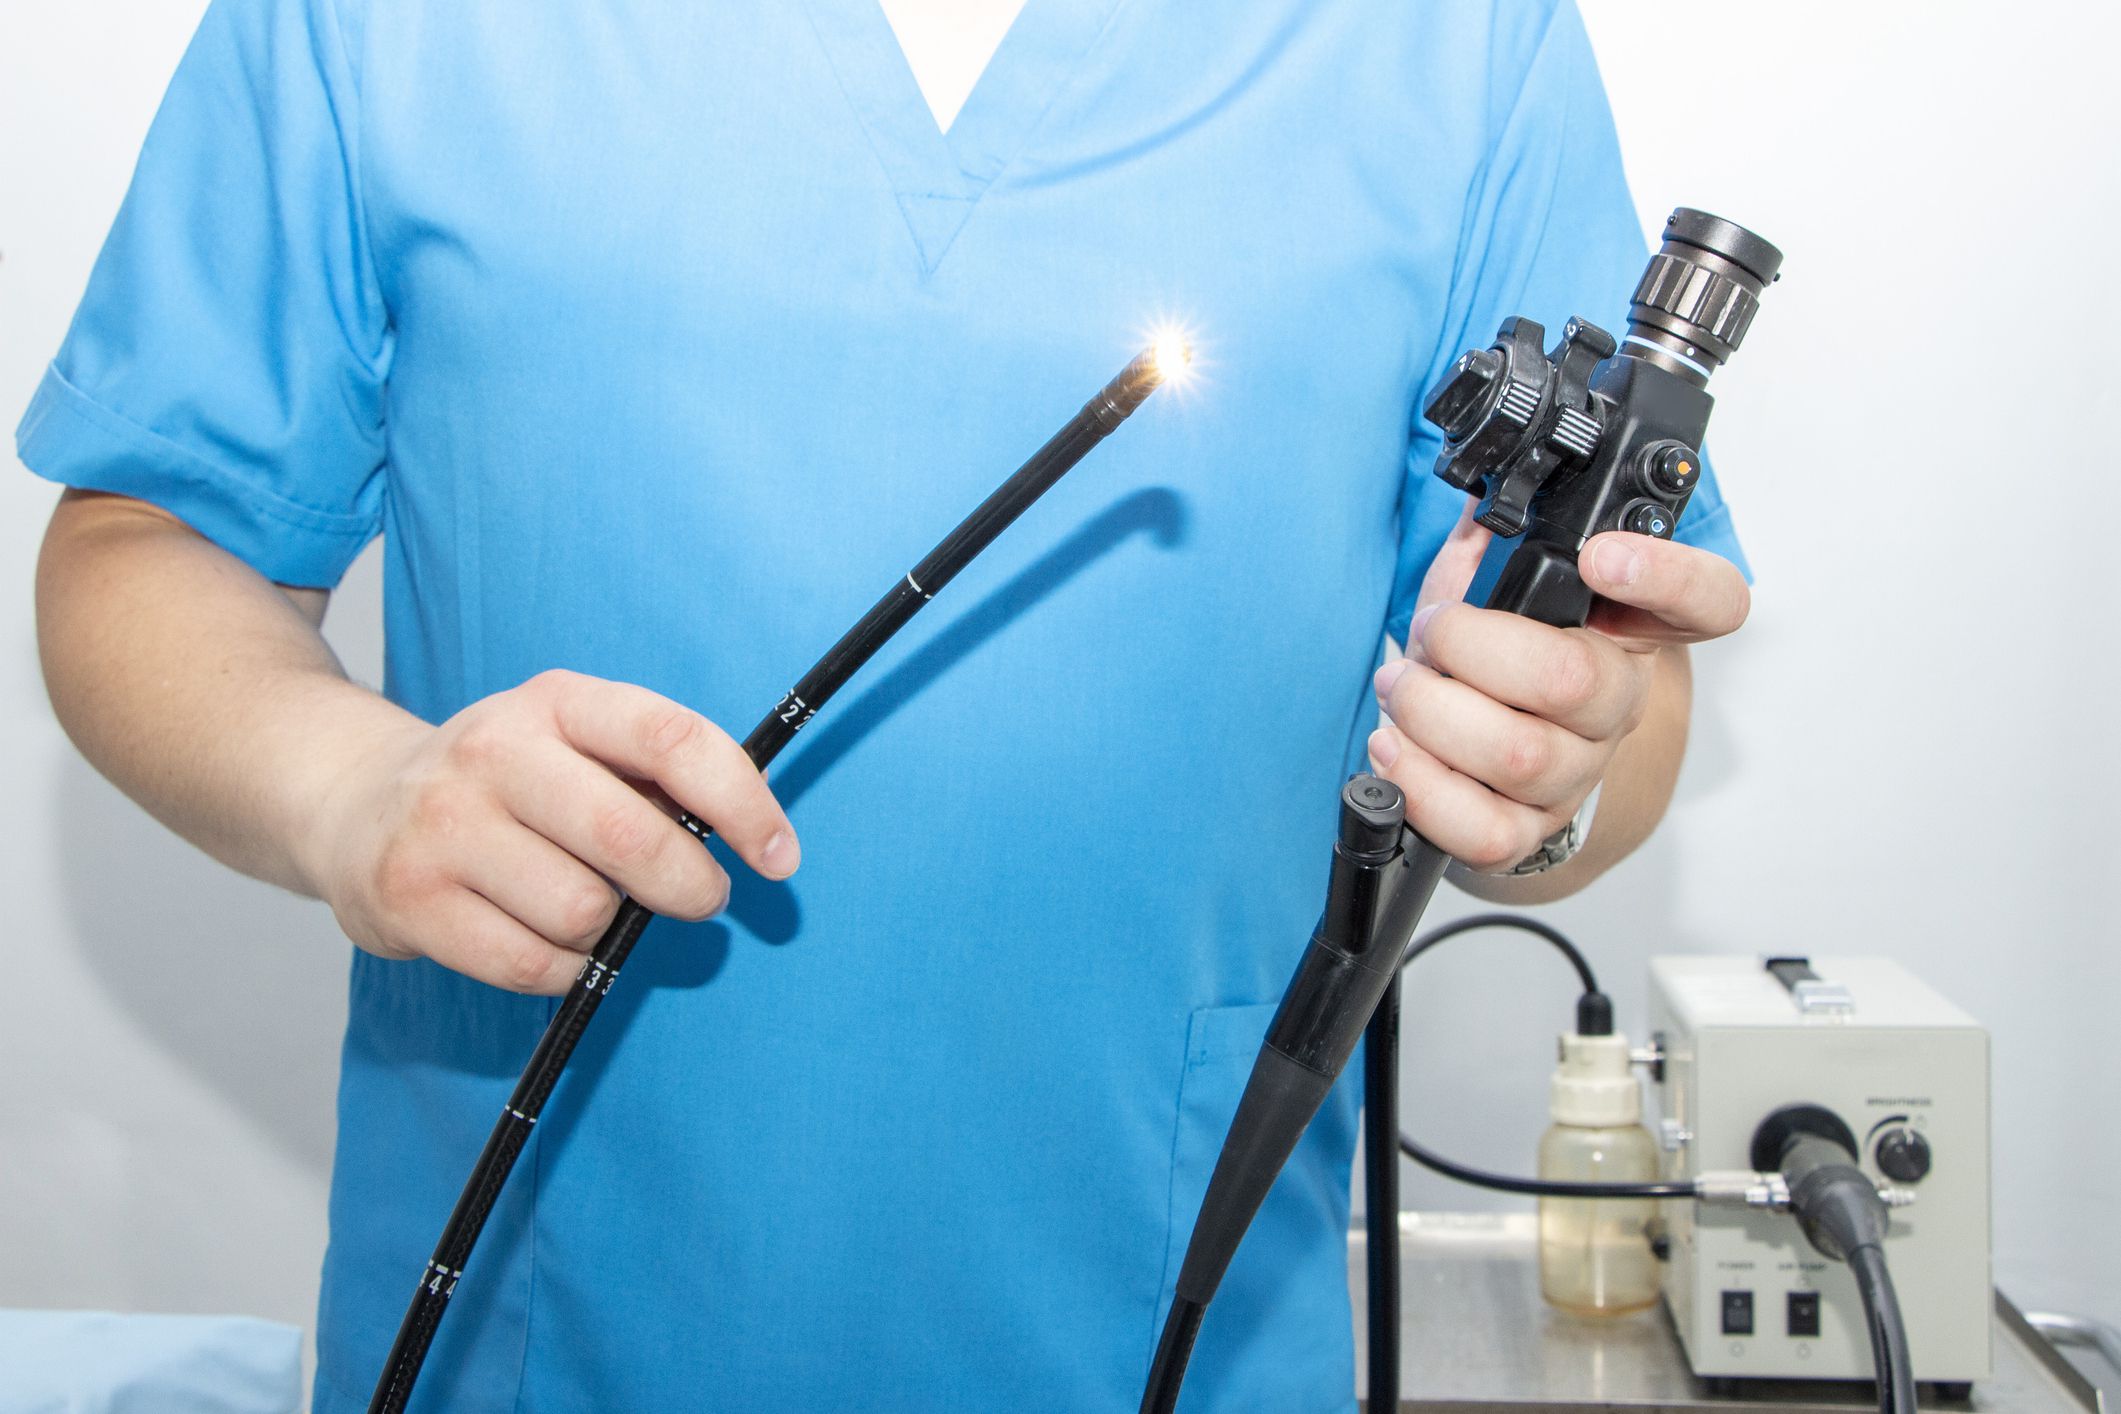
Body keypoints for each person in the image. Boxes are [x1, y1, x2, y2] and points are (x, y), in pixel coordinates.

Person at [20, 0, 1751, 1408]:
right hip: (533, 1342)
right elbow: (145, 543)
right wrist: (349, 790)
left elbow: (1615, 677)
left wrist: (1548, 771)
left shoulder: (1453, 43)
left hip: (1175, 1332)